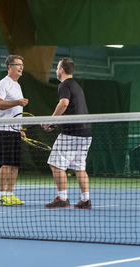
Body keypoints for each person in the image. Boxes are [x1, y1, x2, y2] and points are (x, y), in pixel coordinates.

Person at [43, 57, 92, 209]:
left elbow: (64, 103)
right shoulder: (77, 86)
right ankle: (85, 200)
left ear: (62, 70)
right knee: (79, 168)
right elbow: (72, 110)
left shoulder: (64, 85)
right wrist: (56, 122)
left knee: (56, 165)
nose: (56, 70)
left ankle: (62, 198)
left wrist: (50, 121)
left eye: (57, 68)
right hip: (86, 133)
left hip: (72, 134)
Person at [0, 55, 29, 206]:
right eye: (18, 65)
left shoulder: (17, 85)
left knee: (15, 164)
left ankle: (10, 193)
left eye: (22, 65)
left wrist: (20, 128)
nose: (21, 67)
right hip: (4, 130)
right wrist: (17, 101)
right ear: (10, 67)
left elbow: (17, 111)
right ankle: (1, 195)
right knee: (6, 164)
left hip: (15, 130)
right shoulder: (3, 84)